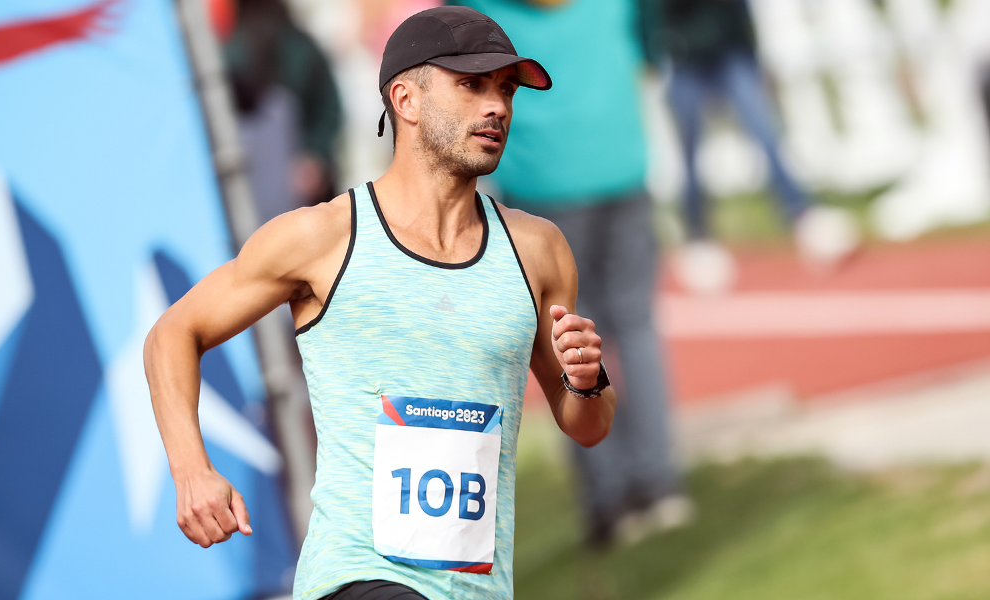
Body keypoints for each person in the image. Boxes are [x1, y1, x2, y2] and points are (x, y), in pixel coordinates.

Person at [143, 7, 615, 600]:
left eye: (507, 89)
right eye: (471, 85)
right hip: (358, 578)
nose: (497, 106)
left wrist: (587, 378)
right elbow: (172, 334)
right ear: (405, 100)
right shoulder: (323, 238)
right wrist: (192, 471)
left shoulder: (538, 250)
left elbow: (588, 425)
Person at [452, 0, 688, 547]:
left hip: (542, 183)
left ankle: (609, 498)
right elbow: (651, 52)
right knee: (636, 327)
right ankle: (660, 481)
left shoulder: (479, 8)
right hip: (620, 161)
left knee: (567, 340)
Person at [645, 0, 859, 292]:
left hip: (732, 50)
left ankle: (803, 216)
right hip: (684, 57)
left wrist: (752, 48)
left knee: (765, 134)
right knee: (691, 152)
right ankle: (698, 236)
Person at [225, 0, 343, 207]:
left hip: (293, 179)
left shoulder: (297, 47)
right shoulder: (232, 49)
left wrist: (314, 155)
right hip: (256, 174)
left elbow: (328, 108)